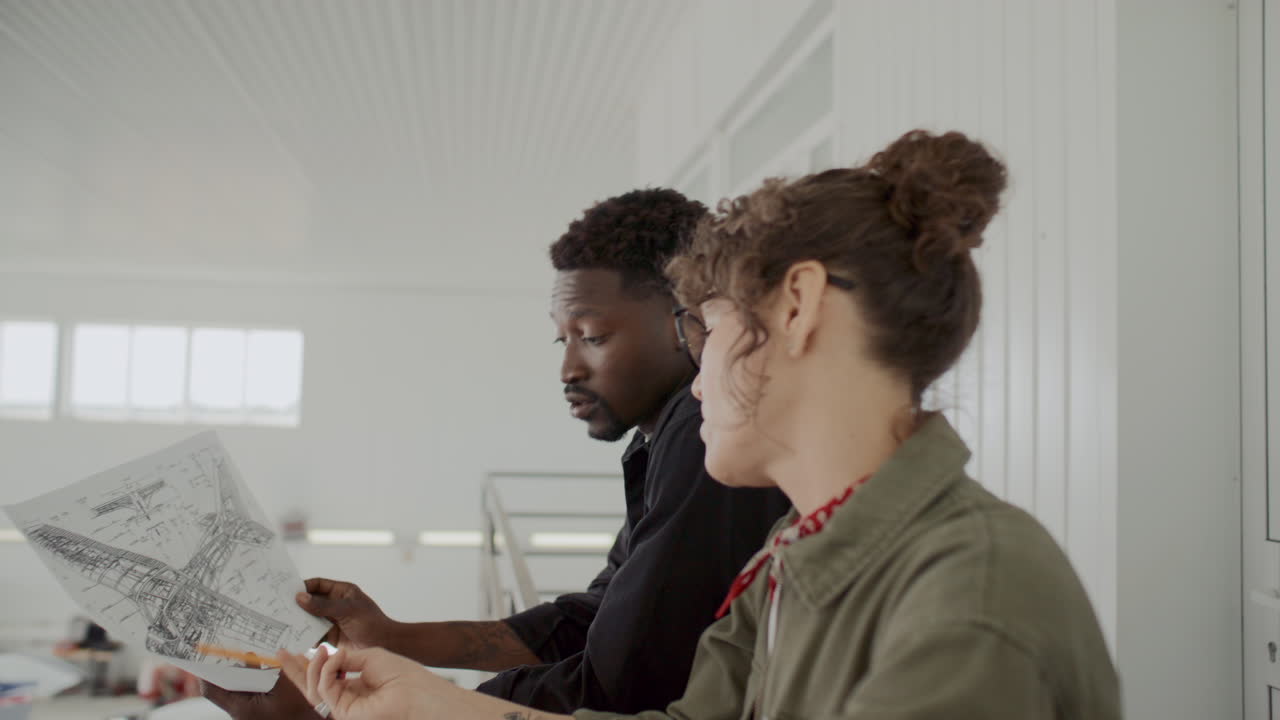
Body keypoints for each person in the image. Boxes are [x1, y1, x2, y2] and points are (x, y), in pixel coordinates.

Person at [273, 129, 1123, 720]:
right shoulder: (785, 561)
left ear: (796, 308)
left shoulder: (968, 595)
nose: (698, 373)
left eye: (707, 327)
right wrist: (426, 705)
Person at [203, 188, 791, 718]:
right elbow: (593, 619)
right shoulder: (662, 442)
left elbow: (618, 685)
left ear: (683, 321)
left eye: (592, 336)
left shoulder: (699, 436)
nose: (567, 369)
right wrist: (392, 638)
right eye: (563, 340)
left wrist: (378, 710)